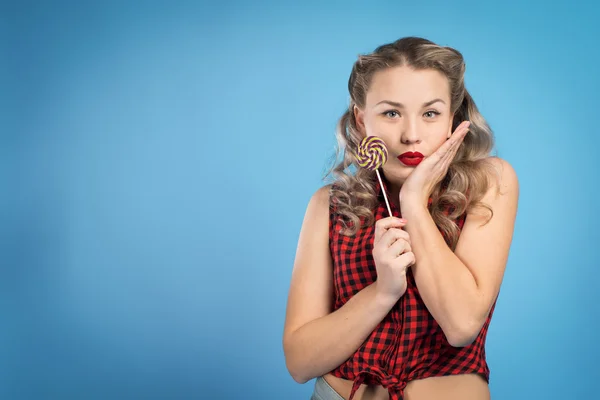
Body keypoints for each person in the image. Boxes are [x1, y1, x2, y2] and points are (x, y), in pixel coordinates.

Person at [282, 36, 519, 400]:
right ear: (362, 120)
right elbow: (299, 362)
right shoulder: (330, 205)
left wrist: (413, 202)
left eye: (430, 113)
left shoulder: (489, 182)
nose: (411, 135)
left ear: (453, 117)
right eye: (391, 113)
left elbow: (461, 325)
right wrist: (382, 292)